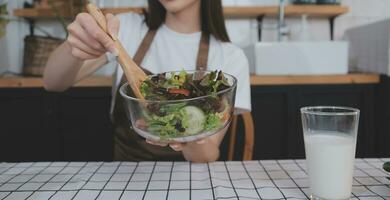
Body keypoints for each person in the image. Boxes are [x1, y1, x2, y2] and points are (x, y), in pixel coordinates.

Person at [43, 0, 251, 162]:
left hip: (190, 181)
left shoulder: (229, 56)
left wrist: (190, 135)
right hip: (126, 179)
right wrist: (75, 49)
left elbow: (207, 155)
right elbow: (52, 83)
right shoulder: (125, 29)